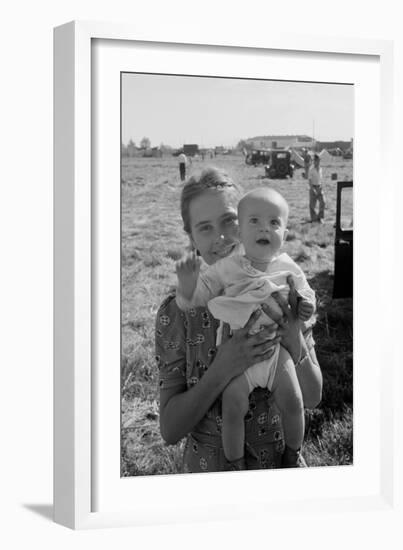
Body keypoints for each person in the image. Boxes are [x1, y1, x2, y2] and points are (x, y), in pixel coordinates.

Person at [155, 167, 322, 472]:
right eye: (204, 227)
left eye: (229, 221)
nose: (220, 237)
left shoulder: (280, 291)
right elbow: (170, 429)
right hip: (211, 475)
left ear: (246, 221)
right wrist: (222, 369)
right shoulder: (175, 314)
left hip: (277, 470)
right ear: (190, 235)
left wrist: (294, 337)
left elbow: (311, 398)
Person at [308, 154, 326, 223]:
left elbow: (320, 179)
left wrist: (321, 186)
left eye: (319, 161)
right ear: (314, 161)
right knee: (312, 205)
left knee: (323, 202)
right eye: (316, 161)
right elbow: (309, 180)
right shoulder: (311, 169)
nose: (318, 162)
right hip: (313, 187)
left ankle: (320, 217)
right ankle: (314, 219)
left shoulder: (321, 169)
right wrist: (312, 189)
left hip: (319, 187)